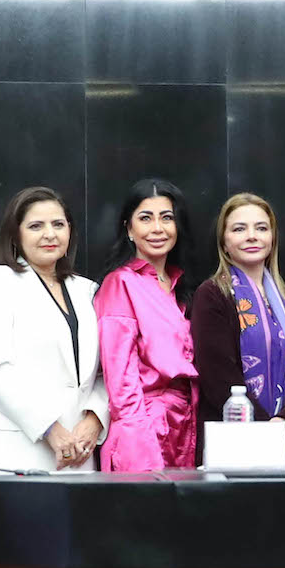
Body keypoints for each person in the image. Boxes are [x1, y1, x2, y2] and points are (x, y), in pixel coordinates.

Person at [0, 187, 108, 472]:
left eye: (58, 224)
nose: (49, 234)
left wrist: (95, 418)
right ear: (16, 235)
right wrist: (50, 428)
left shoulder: (87, 290)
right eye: (35, 226)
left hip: (79, 455)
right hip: (18, 451)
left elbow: (106, 370)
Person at [188, 192, 285, 452]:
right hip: (232, 438)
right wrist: (268, 430)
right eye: (239, 229)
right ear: (224, 241)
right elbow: (218, 378)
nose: (252, 236)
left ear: (272, 237)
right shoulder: (212, 294)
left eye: (261, 228)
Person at [95, 178, 200, 473]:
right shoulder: (120, 283)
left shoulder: (180, 287)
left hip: (184, 424)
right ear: (129, 229)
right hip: (143, 429)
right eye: (145, 218)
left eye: (167, 218)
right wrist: (140, 451)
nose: (157, 228)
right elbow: (121, 382)